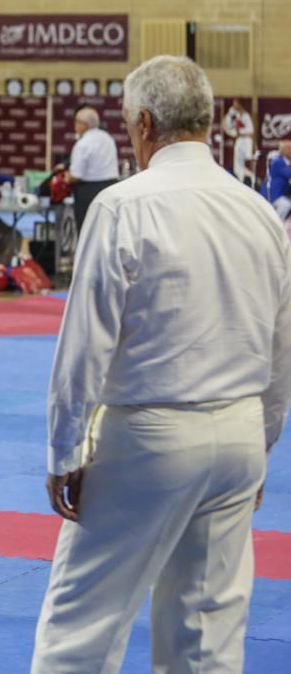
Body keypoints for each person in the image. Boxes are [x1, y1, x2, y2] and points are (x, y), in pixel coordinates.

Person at [32, 55, 290, 674]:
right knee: (206, 635)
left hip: (148, 436)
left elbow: (84, 346)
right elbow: (282, 349)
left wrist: (64, 451)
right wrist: (261, 443)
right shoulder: (260, 211)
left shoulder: (125, 205)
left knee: (81, 628)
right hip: (237, 434)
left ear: (143, 122)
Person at [66, 106, 119, 232]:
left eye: (76, 122)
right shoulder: (108, 138)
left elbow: (76, 176)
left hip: (88, 193)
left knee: (87, 232)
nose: (75, 126)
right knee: (107, 230)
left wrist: (66, 177)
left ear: (84, 124)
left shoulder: (83, 143)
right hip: (111, 188)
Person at [224, 97, 255, 185]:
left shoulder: (246, 116)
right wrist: (229, 114)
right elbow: (229, 127)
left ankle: (252, 181)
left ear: (240, 104)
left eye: (236, 103)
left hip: (246, 141)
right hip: (239, 141)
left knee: (247, 163)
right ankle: (240, 181)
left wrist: (240, 132)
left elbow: (251, 131)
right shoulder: (236, 115)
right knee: (237, 165)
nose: (234, 105)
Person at [261, 139, 291, 226]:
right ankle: (276, 226)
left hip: (282, 194)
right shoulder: (278, 162)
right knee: (286, 204)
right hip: (272, 195)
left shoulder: (287, 163)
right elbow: (288, 174)